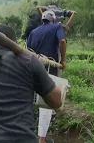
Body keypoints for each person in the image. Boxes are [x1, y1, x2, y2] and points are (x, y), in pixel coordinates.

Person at [26, 11, 67, 143]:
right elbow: (62, 41)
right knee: (46, 102)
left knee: (31, 98)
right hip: (50, 67)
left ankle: (26, 132)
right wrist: (63, 60)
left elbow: (28, 50)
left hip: (34, 67)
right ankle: (41, 139)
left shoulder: (34, 32)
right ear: (53, 20)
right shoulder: (57, 27)